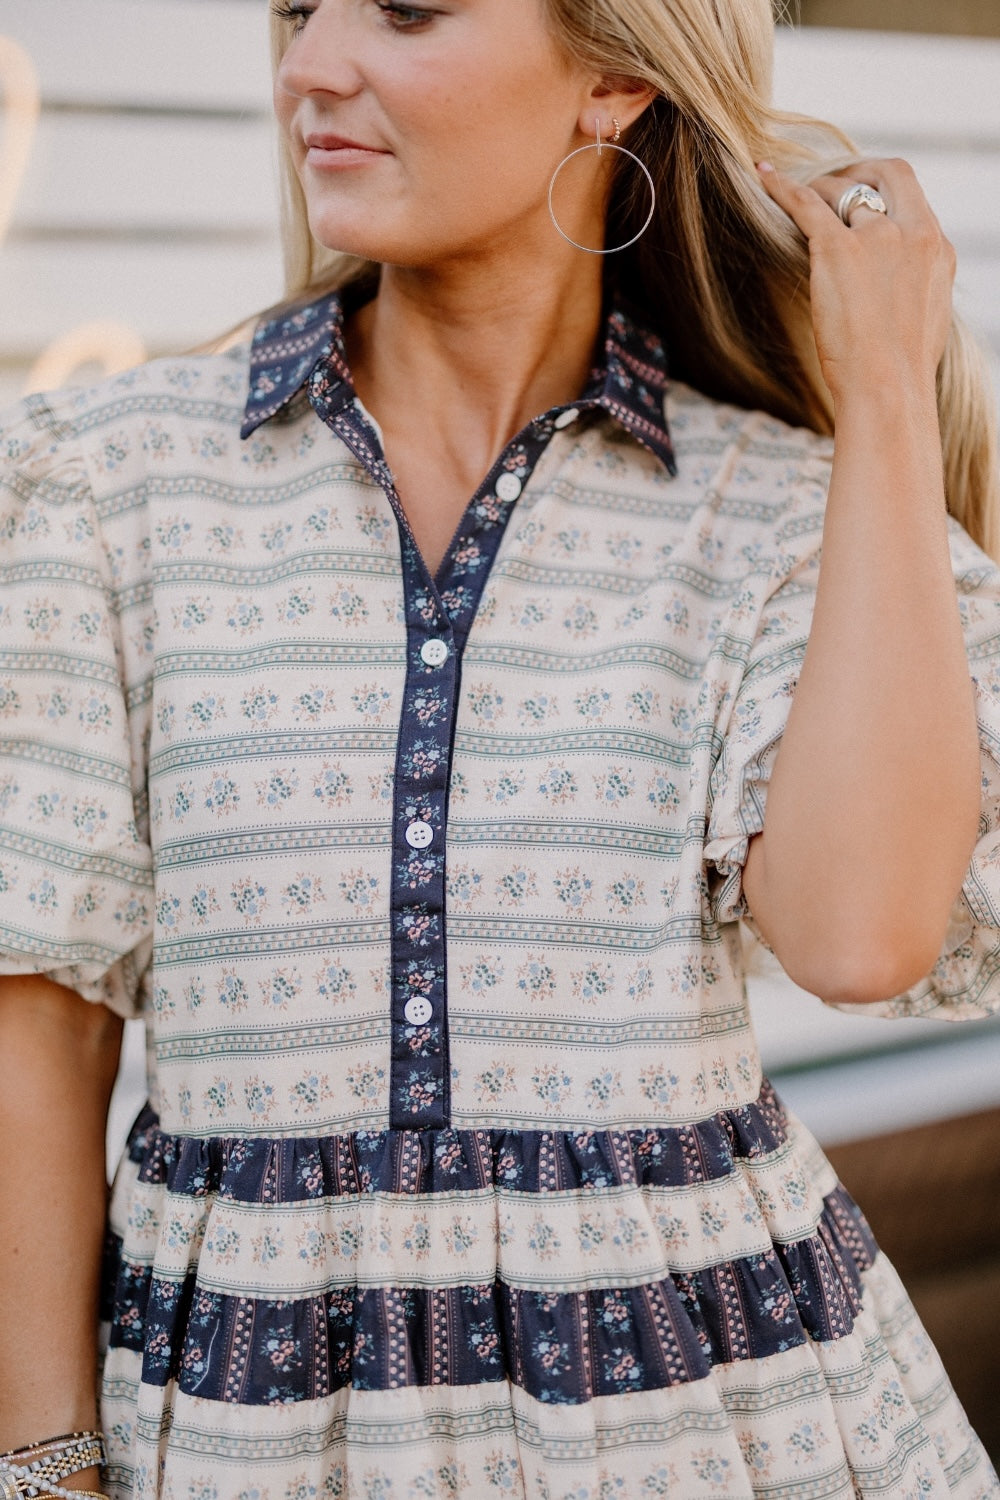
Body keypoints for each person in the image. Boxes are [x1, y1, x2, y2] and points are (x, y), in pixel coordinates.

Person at [1, 0, 999, 1494]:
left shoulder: (783, 513)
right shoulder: (107, 483)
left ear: (614, 80)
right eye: (295, 12)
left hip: (726, 1426)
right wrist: (41, 1458)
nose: (309, 66)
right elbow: (39, 1019)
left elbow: (861, 936)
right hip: (240, 1439)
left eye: (402, 9)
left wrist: (882, 393)